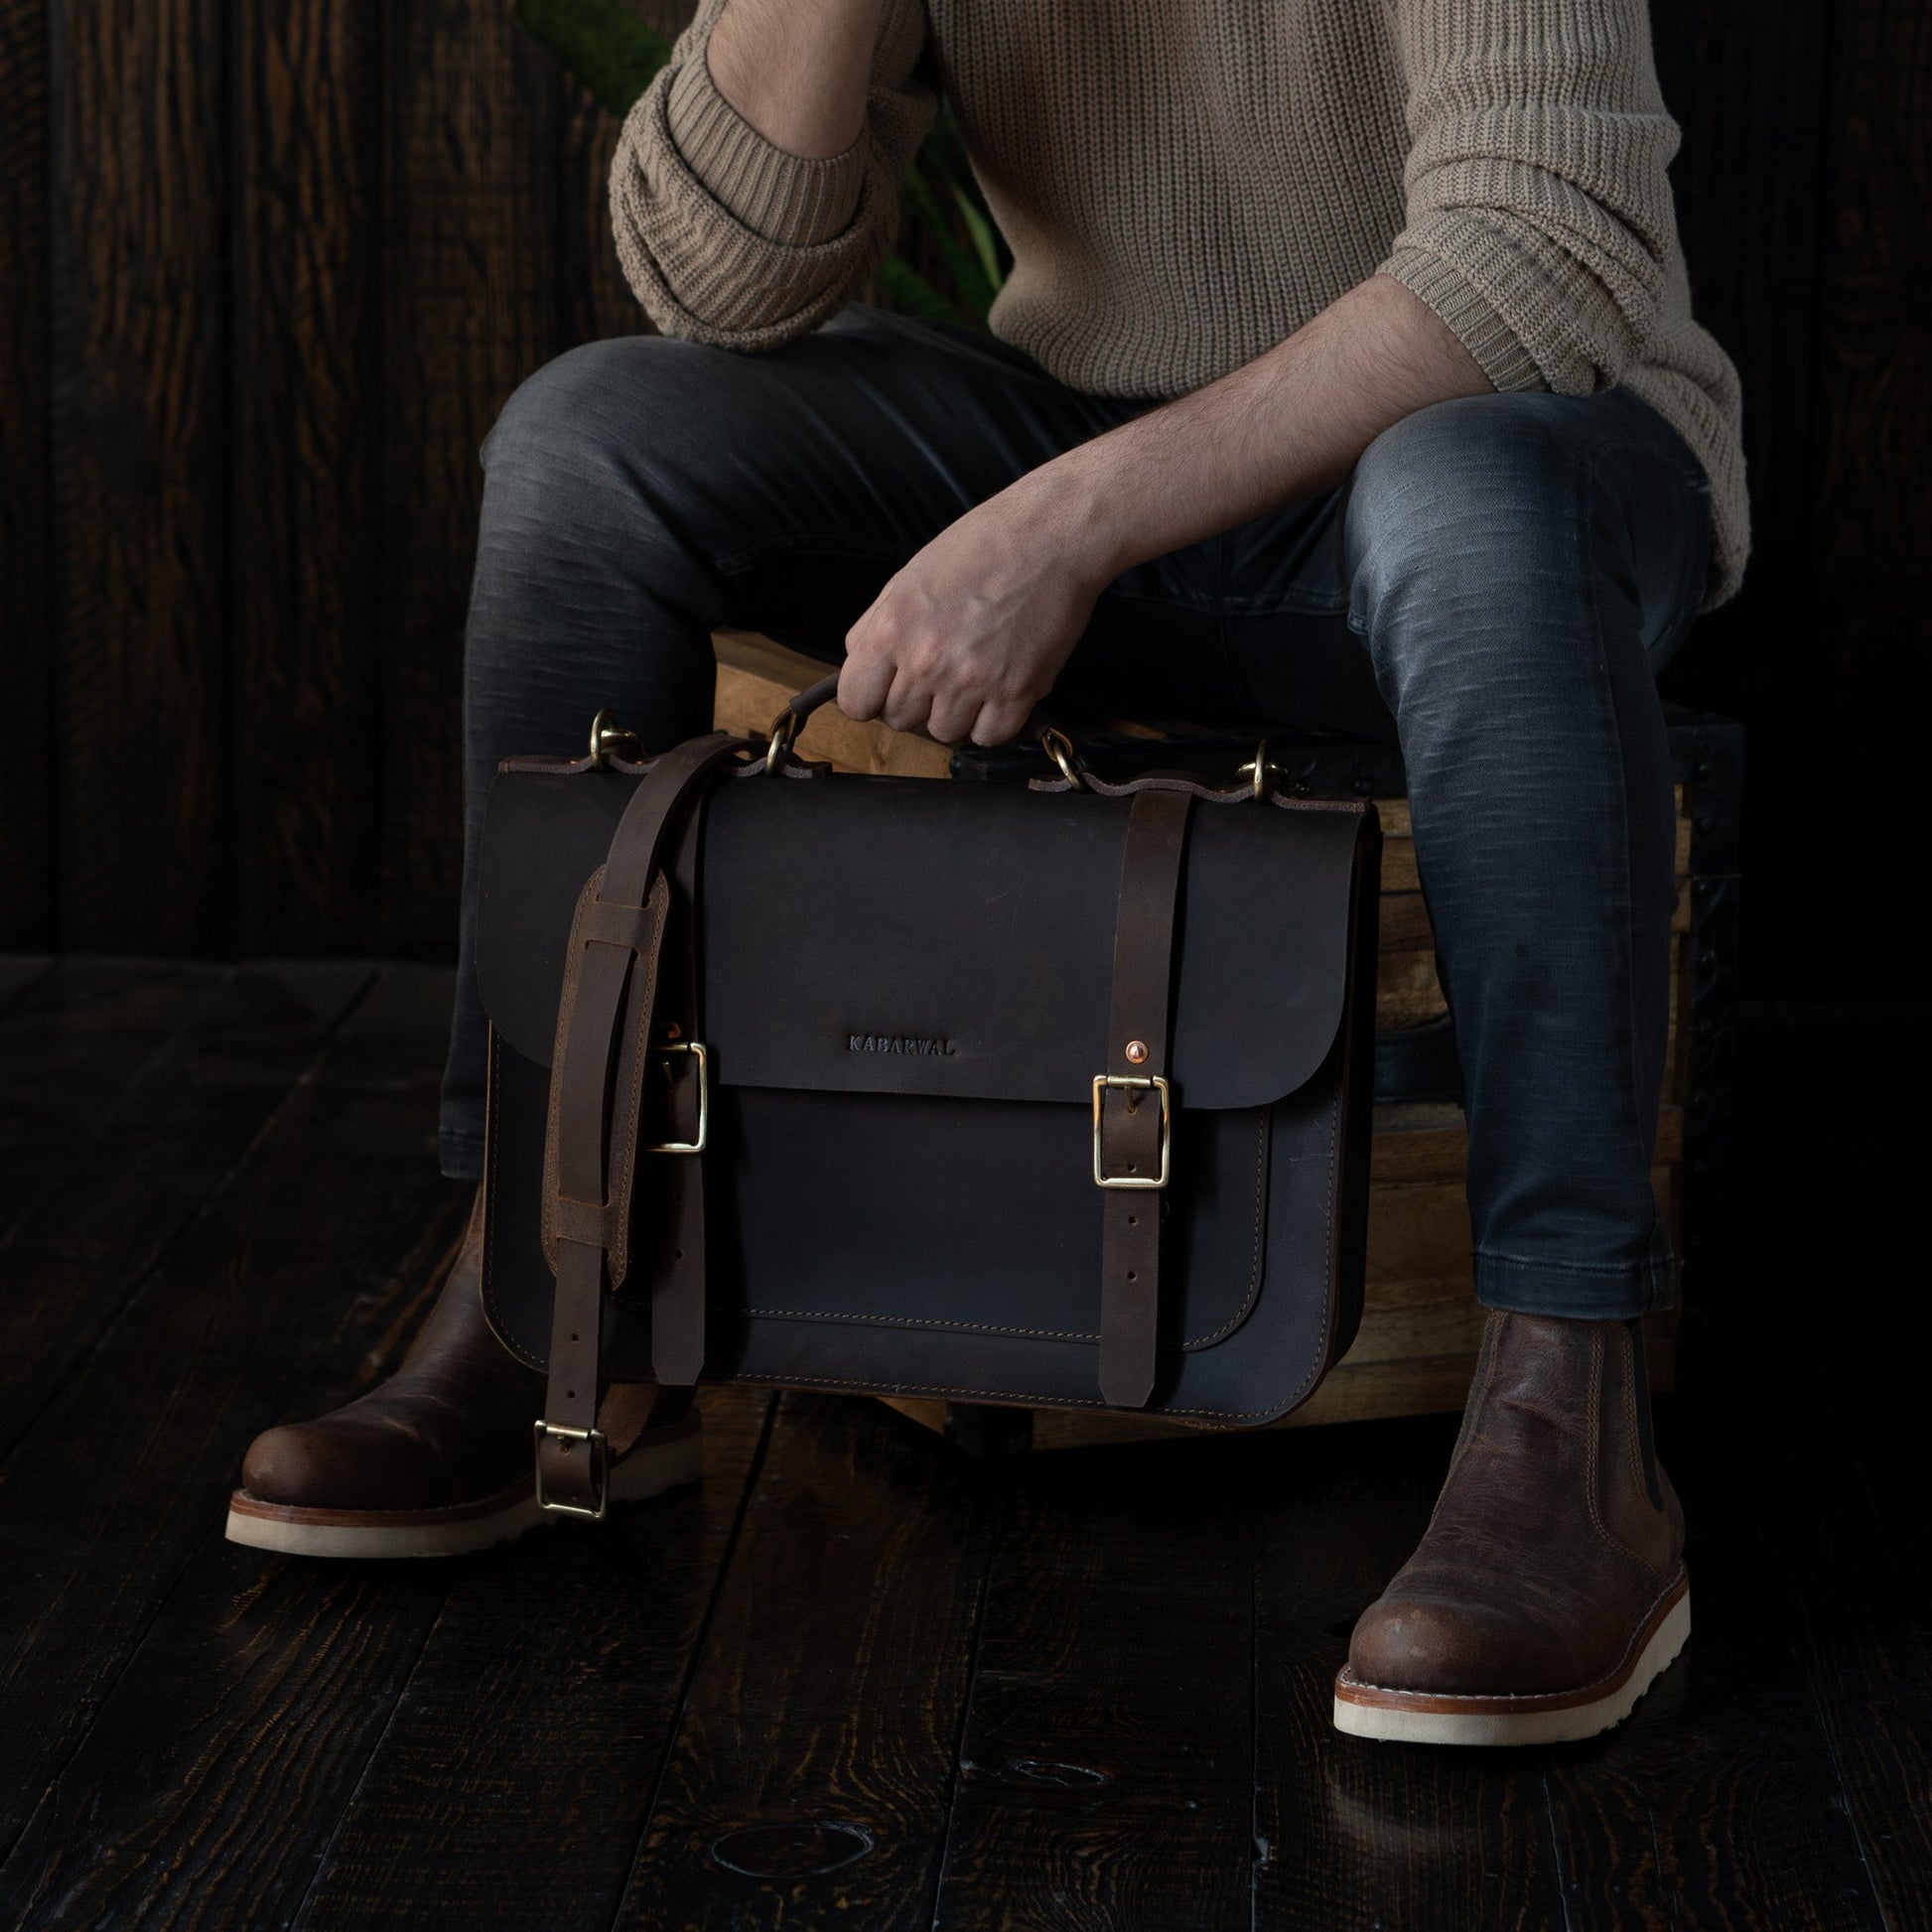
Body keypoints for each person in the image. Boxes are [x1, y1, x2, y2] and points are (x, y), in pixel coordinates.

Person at [227, 0, 1744, 1745]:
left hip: (1504, 447)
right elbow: (717, 282)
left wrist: (1069, 523)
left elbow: (1542, 245)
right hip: (1076, 415)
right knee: (589, 445)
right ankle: (552, 1291)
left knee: (1460, 499)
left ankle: (1572, 1408)